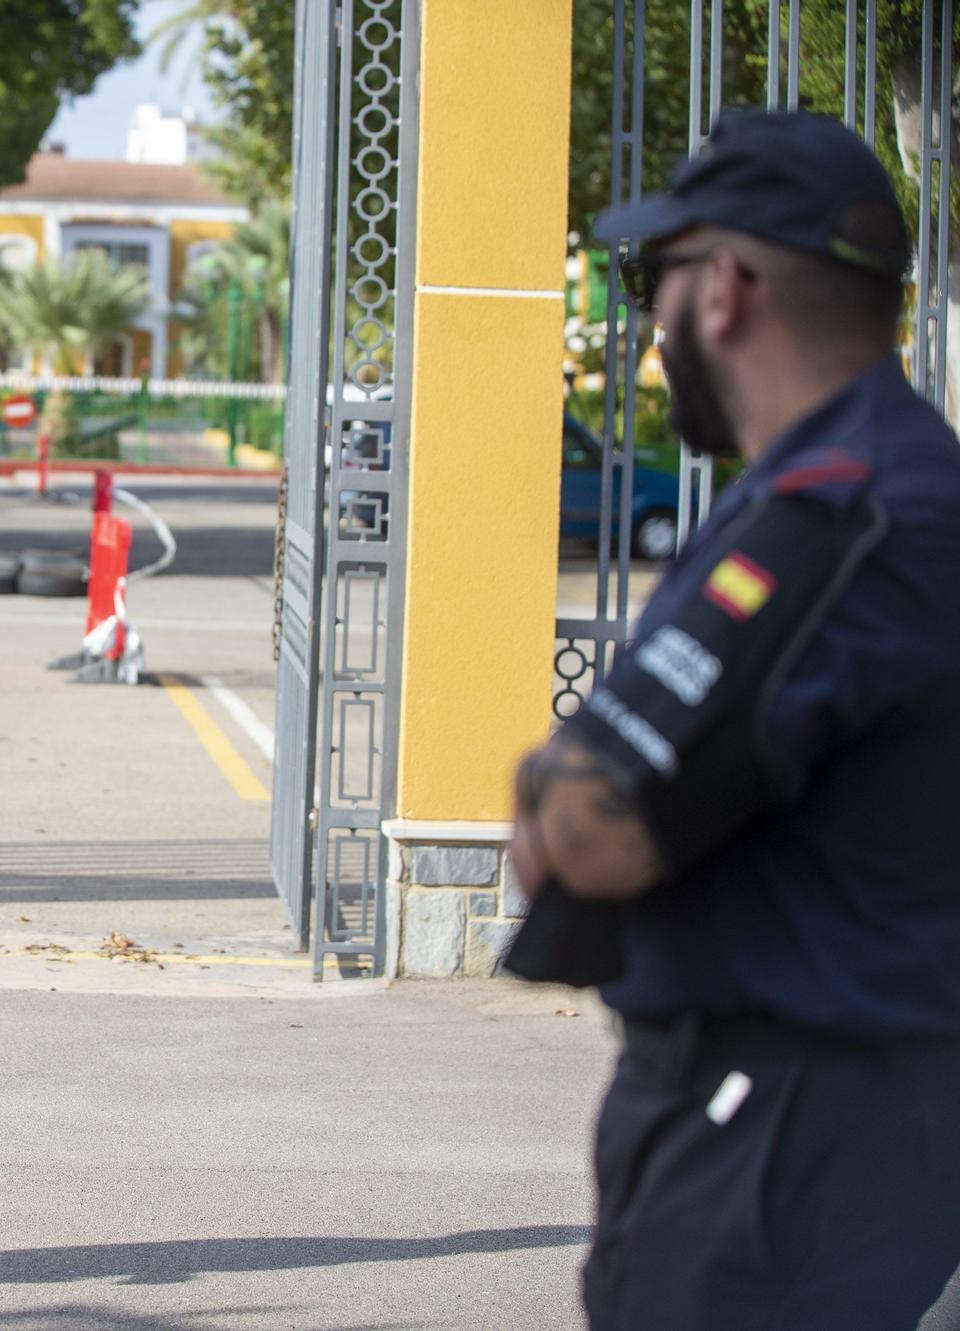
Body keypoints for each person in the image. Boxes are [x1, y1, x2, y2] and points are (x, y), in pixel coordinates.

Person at [507, 110, 960, 1329]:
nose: (650, 321)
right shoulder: (896, 479)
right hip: (854, 1121)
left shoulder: (831, 514)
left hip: (771, 1134)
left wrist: (547, 776)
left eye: (657, 279)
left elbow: (594, 824)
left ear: (724, 288)